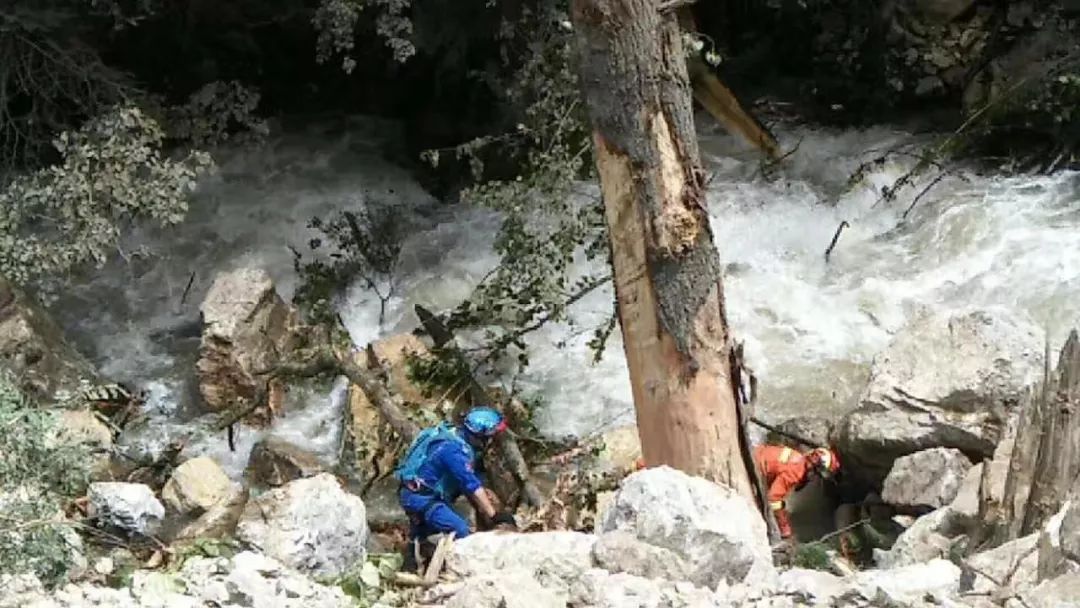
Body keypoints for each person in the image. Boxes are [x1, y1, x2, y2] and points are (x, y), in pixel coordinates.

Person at [395, 406, 517, 568]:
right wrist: (495, 516)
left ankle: (412, 561)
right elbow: (470, 484)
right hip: (423, 499)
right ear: (480, 436)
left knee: (420, 537)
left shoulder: (449, 434)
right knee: (461, 532)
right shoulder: (455, 451)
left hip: (413, 493)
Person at [754, 444, 841, 542]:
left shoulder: (797, 457)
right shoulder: (796, 472)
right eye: (817, 475)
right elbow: (773, 499)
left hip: (757, 454)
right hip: (755, 467)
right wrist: (784, 527)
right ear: (814, 468)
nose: (815, 479)